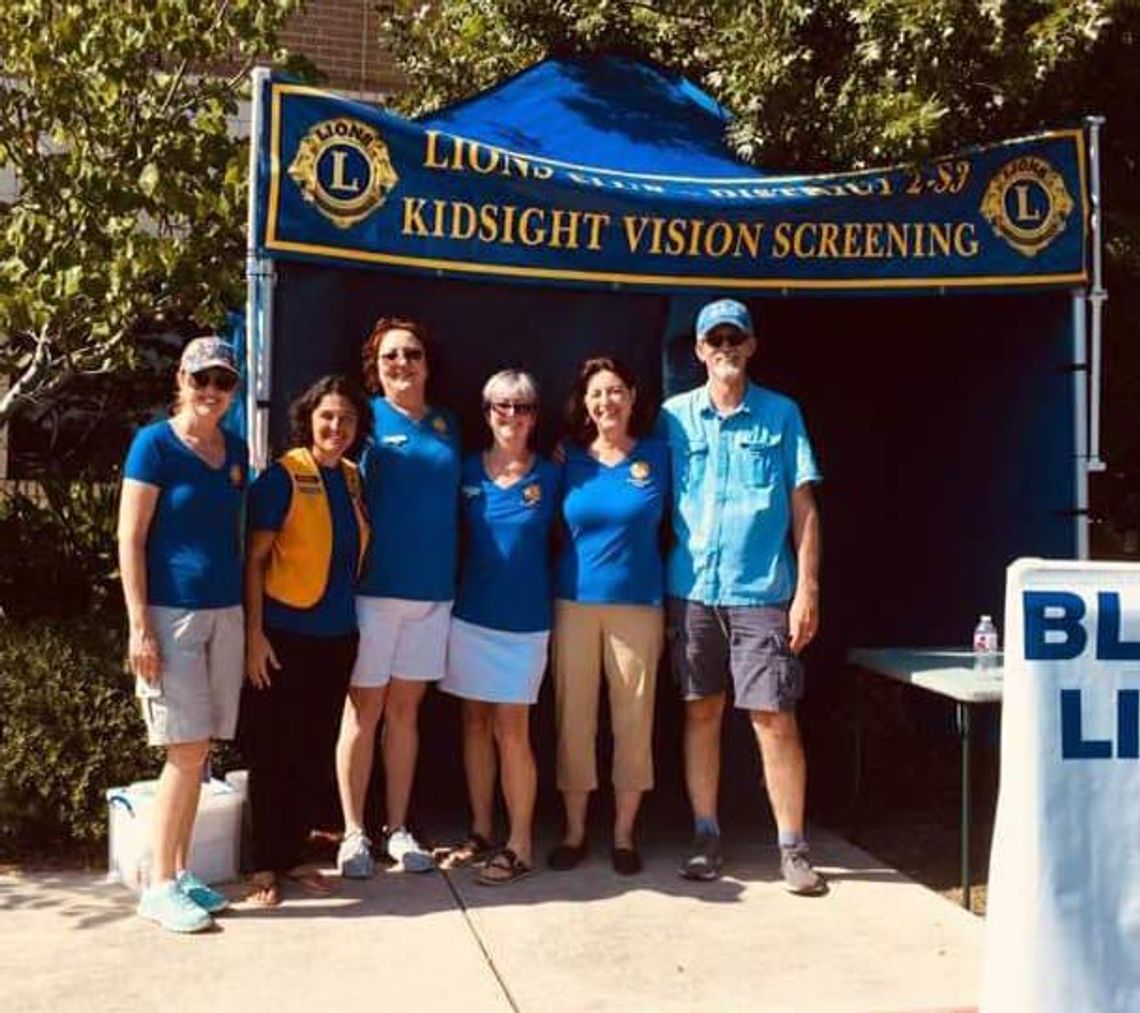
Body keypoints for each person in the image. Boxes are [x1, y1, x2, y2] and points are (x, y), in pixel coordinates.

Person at [657, 298, 826, 895]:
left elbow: (805, 509)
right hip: (692, 591)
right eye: (714, 339)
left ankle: (793, 846)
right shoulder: (672, 419)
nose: (725, 347)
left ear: (751, 346)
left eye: (736, 338)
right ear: (699, 350)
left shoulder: (781, 415)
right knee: (700, 708)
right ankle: (706, 834)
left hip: (762, 592)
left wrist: (807, 590)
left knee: (773, 717)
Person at [118, 335, 246, 933]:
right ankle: (159, 884)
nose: (212, 393)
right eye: (202, 381)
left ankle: (181, 869)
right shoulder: (154, 446)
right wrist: (139, 626)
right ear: (181, 380)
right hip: (172, 617)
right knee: (184, 751)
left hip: (225, 614)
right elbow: (130, 539)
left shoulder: (235, 449)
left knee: (202, 753)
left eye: (223, 383)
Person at [336, 318, 461, 878]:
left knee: (406, 715)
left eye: (412, 353)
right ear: (375, 365)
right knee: (364, 713)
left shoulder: (447, 423)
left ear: (428, 363)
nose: (402, 364)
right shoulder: (361, 421)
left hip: (433, 593)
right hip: (373, 592)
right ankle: (353, 833)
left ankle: (398, 827)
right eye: (390, 356)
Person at [243, 375, 371, 906]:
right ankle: (263, 866)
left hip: (336, 636)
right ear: (308, 419)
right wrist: (253, 637)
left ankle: (292, 854)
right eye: (327, 416)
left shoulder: (351, 478)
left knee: (312, 748)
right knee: (272, 751)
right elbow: (253, 560)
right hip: (283, 636)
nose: (336, 427)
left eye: (346, 419)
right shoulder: (283, 477)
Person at [548, 356, 669, 876]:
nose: (607, 402)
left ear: (633, 397)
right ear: (586, 403)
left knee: (633, 720)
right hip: (574, 603)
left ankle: (623, 836)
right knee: (573, 719)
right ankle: (575, 833)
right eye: (597, 393)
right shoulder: (565, 460)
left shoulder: (661, 456)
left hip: (639, 606)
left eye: (616, 390)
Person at [439, 370, 559, 885]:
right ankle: (482, 829)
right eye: (501, 406)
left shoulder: (555, 474)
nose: (512, 416)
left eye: (523, 406)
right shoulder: (464, 470)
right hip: (470, 617)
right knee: (473, 725)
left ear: (536, 415)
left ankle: (521, 844)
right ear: (486, 412)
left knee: (513, 733)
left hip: (526, 622)